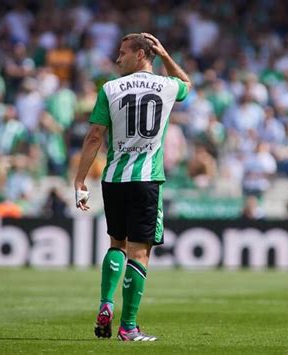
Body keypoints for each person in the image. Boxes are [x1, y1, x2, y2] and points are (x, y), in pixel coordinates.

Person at [74, 33, 191, 342]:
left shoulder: (109, 89)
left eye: (123, 53)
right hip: (146, 180)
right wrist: (166, 56)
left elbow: (94, 137)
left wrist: (80, 179)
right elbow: (187, 85)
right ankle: (128, 327)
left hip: (113, 179)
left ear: (141, 54)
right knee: (139, 255)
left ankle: (106, 303)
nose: (117, 59)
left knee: (117, 245)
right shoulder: (167, 86)